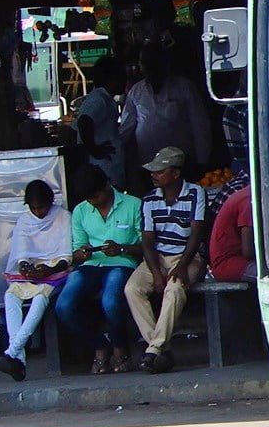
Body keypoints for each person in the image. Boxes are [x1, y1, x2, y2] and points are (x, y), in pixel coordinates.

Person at [125, 146, 208, 373]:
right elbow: (148, 242)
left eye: (160, 171)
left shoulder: (195, 193)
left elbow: (196, 233)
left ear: (175, 173)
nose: (154, 175)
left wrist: (181, 266)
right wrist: (155, 273)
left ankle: (153, 351)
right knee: (132, 289)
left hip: (186, 256)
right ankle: (161, 348)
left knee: (174, 289)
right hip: (158, 257)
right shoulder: (150, 200)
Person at [56, 164, 143, 374]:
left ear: (107, 186)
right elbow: (77, 250)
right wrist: (81, 253)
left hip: (123, 264)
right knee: (63, 305)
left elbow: (146, 246)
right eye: (89, 199)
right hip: (91, 265)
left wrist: (121, 248)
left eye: (96, 196)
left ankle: (120, 347)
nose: (93, 202)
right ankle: (100, 344)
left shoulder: (133, 205)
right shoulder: (81, 210)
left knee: (111, 301)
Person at [0, 179, 71, 381]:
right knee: (11, 296)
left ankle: (10, 353)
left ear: (50, 203)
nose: (38, 212)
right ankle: (18, 360)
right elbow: (20, 252)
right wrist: (25, 267)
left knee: (40, 299)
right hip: (31, 271)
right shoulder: (24, 220)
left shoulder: (63, 217)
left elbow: (66, 255)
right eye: (33, 208)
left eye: (41, 207)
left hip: (55, 271)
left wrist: (49, 269)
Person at [119, 42, 212, 191]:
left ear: (164, 64)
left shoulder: (184, 87)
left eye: (154, 62)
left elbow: (200, 125)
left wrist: (202, 159)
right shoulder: (136, 91)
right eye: (145, 63)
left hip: (181, 165)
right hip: (148, 165)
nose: (150, 67)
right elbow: (126, 129)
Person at [75, 56, 124, 189]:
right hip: (102, 171)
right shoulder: (99, 100)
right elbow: (84, 121)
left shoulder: (105, 99)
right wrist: (94, 149)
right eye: (122, 76)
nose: (124, 81)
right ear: (111, 78)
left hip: (108, 169)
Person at [208, 184, 255, 281]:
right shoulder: (248, 199)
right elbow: (248, 251)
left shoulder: (248, 195)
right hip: (229, 264)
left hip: (239, 260)